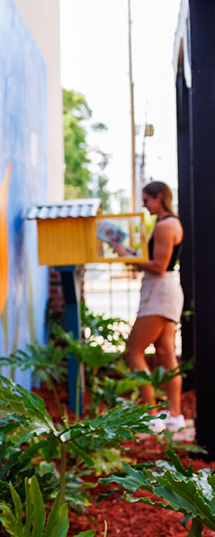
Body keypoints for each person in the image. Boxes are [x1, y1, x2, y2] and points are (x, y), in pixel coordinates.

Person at [119, 181, 185, 432]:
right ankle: (174, 416)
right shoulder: (166, 223)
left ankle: (152, 414)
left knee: (133, 352)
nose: (144, 205)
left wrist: (129, 259)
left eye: (146, 200)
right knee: (166, 354)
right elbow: (152, 261)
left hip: (160, 293)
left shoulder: (166, 226)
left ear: (159, 197)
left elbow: (158, 266)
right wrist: (124, 251)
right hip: (163, 291)